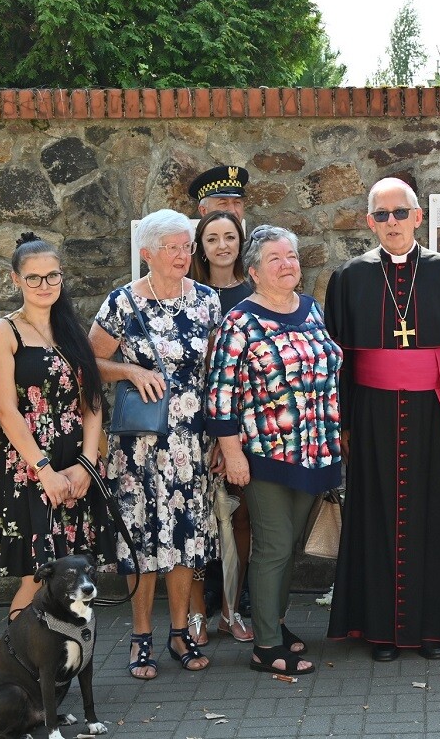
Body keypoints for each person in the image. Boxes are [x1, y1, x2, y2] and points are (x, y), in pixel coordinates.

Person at [325, 178, 440, 661]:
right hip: (371, 415)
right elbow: (338, 359)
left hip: (433, 411)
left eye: (400, 212)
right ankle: (381, 631)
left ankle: (433, 629)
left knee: (433, 512)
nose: (392, 222)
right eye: (381, 215)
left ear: (418, 217)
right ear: (370, 222)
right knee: (374, 515)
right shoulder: (349, 277)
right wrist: (343, 424)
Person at [89, 208, 221, 679]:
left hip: (191, 442)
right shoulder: (122, 303)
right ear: (146, 253)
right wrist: (129, 370)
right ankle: (141, 635)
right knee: (141, 539)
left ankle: (180, 632)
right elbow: (89, 363)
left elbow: (216, 371)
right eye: (172, 248)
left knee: (185, 537)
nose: (183, 255)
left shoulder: (206, 301)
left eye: (187, 246)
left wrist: (221, 436)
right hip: (139, 447)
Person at [206, 225, 343, 677]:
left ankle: (275, 624)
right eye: (275, 259)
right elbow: (220, 394)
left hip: (315, 451)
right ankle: (265, 647)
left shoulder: (311, 310)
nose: (287, 265)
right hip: (264, 454)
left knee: (290, 546)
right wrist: (233, 454)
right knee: (274, 546)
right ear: (253, 272)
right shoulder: (239, 321)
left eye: (292, 257)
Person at [0, 234, 116, 617]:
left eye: (52, 276)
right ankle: (16, 653)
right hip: (27, 465)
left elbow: (92, 402)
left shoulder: (72, 330)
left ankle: (63, 651)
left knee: (73, 571)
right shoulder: (2, 331)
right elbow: (4, 410)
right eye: (34, 278)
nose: (45, 285)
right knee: (38, 577)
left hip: (75, 463)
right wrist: (43, 470)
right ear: (16, 280)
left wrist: (87, 464)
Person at [188, 210, 254, 644]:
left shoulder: (253, 293)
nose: (222, 246)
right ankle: (197, 611)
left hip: (242, 423)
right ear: (201, 246)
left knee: (241, 516)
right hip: (192, 422)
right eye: (212, 238)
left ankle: (234, 604)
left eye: (229, 237)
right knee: (197, 518)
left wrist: (230, 436)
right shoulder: (187, 293)